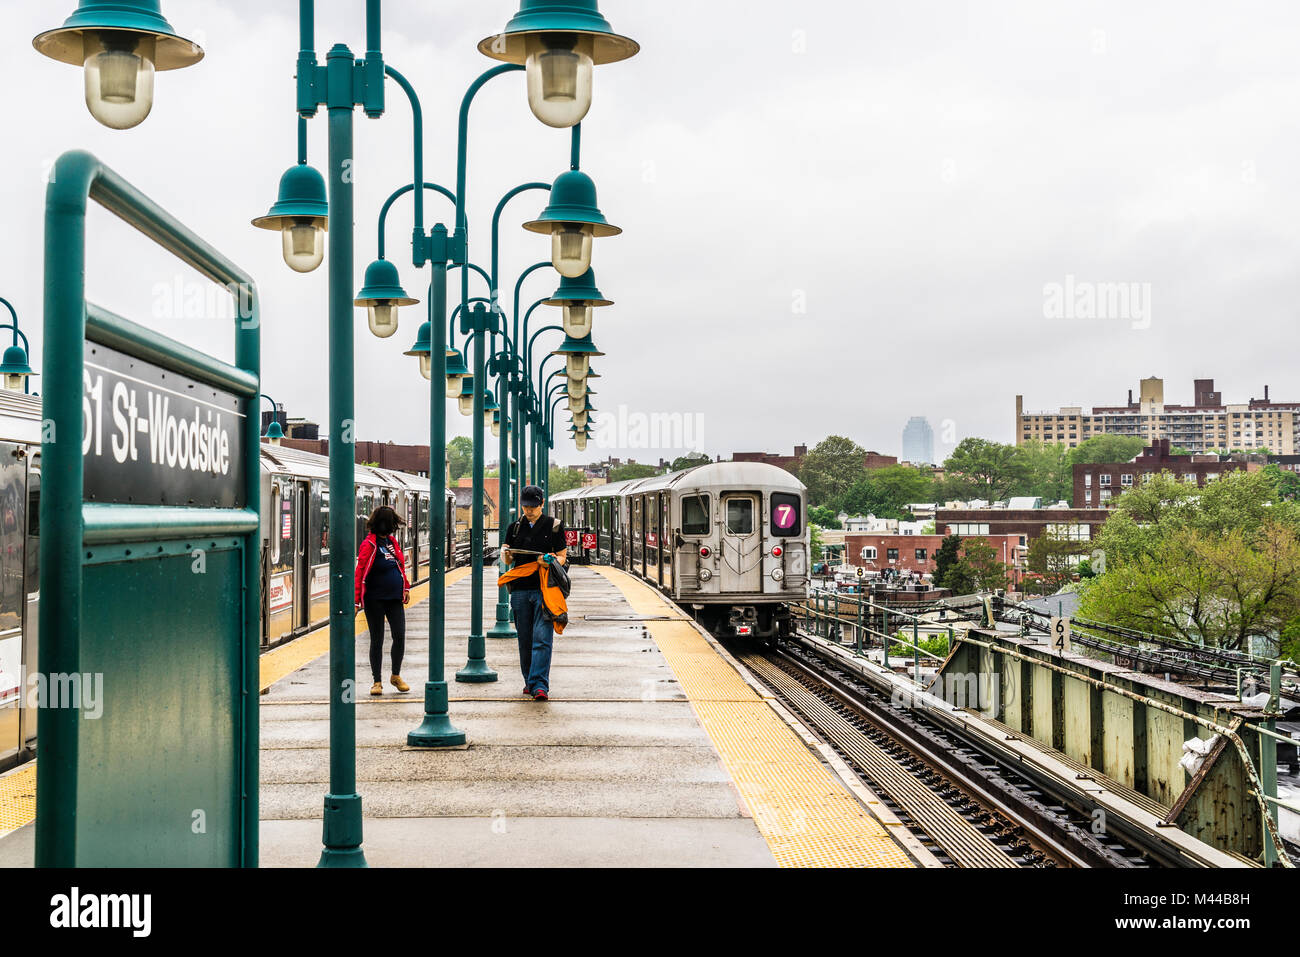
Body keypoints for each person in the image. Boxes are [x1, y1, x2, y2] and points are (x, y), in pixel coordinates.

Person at [502, 485, 567, 700]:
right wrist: (506, 553)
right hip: (520, 589)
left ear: (542, 504)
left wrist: (549, 561)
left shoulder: (554, 526)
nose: (529, 510)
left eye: (533, 506)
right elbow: (507, 559)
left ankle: (540, 685)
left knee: (542, 637)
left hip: (544, 589)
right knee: (525, 639)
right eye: (525, 506)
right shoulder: (514, 528)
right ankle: (529, 680)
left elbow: (562, 556)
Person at [354, 505, 411, 697]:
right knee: (377, 640)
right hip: (374, 599)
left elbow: (400, 567)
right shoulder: (368, 545)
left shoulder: (392, 543)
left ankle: (396, 675)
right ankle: (376, 681)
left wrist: (406, 587)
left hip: (395, 598)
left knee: (399, 636)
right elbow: (360, 571)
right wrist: (356, 600)